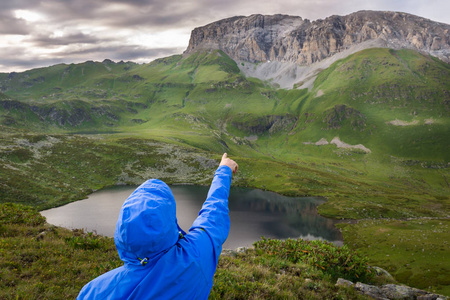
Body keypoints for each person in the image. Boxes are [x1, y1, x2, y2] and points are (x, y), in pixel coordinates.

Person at [77, 153, 238, 300]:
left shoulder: (93, 292)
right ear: (170, 220)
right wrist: (224, 170)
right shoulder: (194, 259)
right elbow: (213, 214)